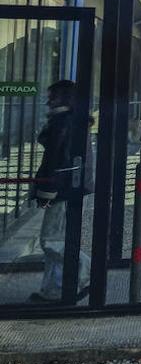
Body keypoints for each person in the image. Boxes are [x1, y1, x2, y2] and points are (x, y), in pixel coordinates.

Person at [30, 79, 92, 303]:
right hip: (68, 188)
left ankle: (85, 270)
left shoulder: (63, 122)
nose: (48, 100)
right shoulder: (71, 121)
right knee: (57, 239)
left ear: (63, 98)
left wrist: (47, 191)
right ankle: (53, 290)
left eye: (52, 96)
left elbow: (56, 161)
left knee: (50, 240)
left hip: (62, 190)